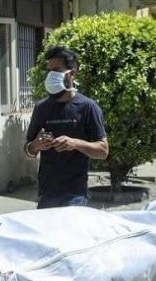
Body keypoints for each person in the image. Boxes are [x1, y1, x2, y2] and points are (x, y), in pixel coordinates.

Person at [24, 45, 109, 209]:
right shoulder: (42, 108)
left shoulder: (87, 107)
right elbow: (27, 151)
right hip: (46, 193)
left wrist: (75, 143)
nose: (51, 75)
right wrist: (35, 145)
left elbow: (103, 151)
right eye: (49, 71)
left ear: (72, 73)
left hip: (75, 194)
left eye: (56, 70)